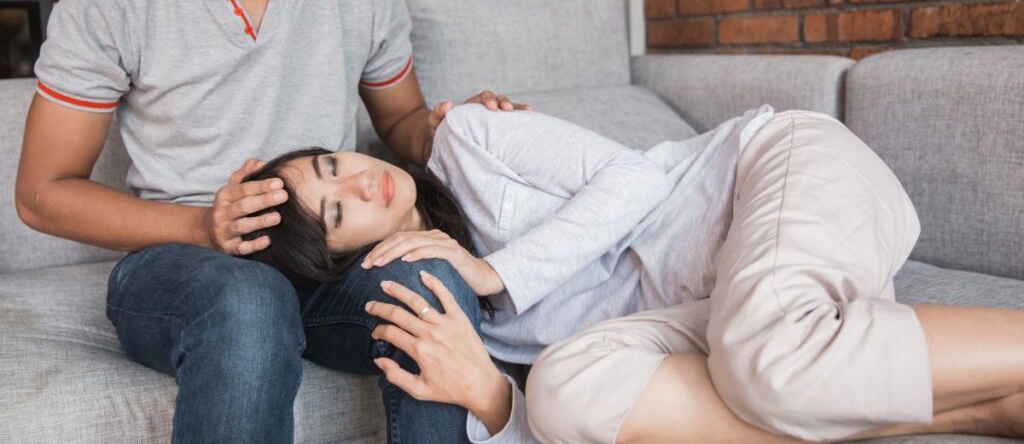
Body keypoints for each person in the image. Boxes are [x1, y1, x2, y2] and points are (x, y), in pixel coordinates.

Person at [13, 0, 528, 442]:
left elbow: (403, 125)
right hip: (184, 261)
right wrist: (206, 226)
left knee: (432, 278)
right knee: (250, 297)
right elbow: (43, 193)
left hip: (329, 258)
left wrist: (460, 129)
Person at [247, 102, 1024, 443]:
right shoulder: (455, 307)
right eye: (340, 212)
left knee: (767, 356)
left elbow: (637, 181)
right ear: (352, 261)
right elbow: (588, 427)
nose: (358, 180)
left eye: (331, 164)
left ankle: (921, 397)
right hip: (746, 308)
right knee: (561, 393)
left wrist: (493, 270)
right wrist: (488, 391)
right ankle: (980, 408)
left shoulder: (470, 139)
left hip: (777, 174)